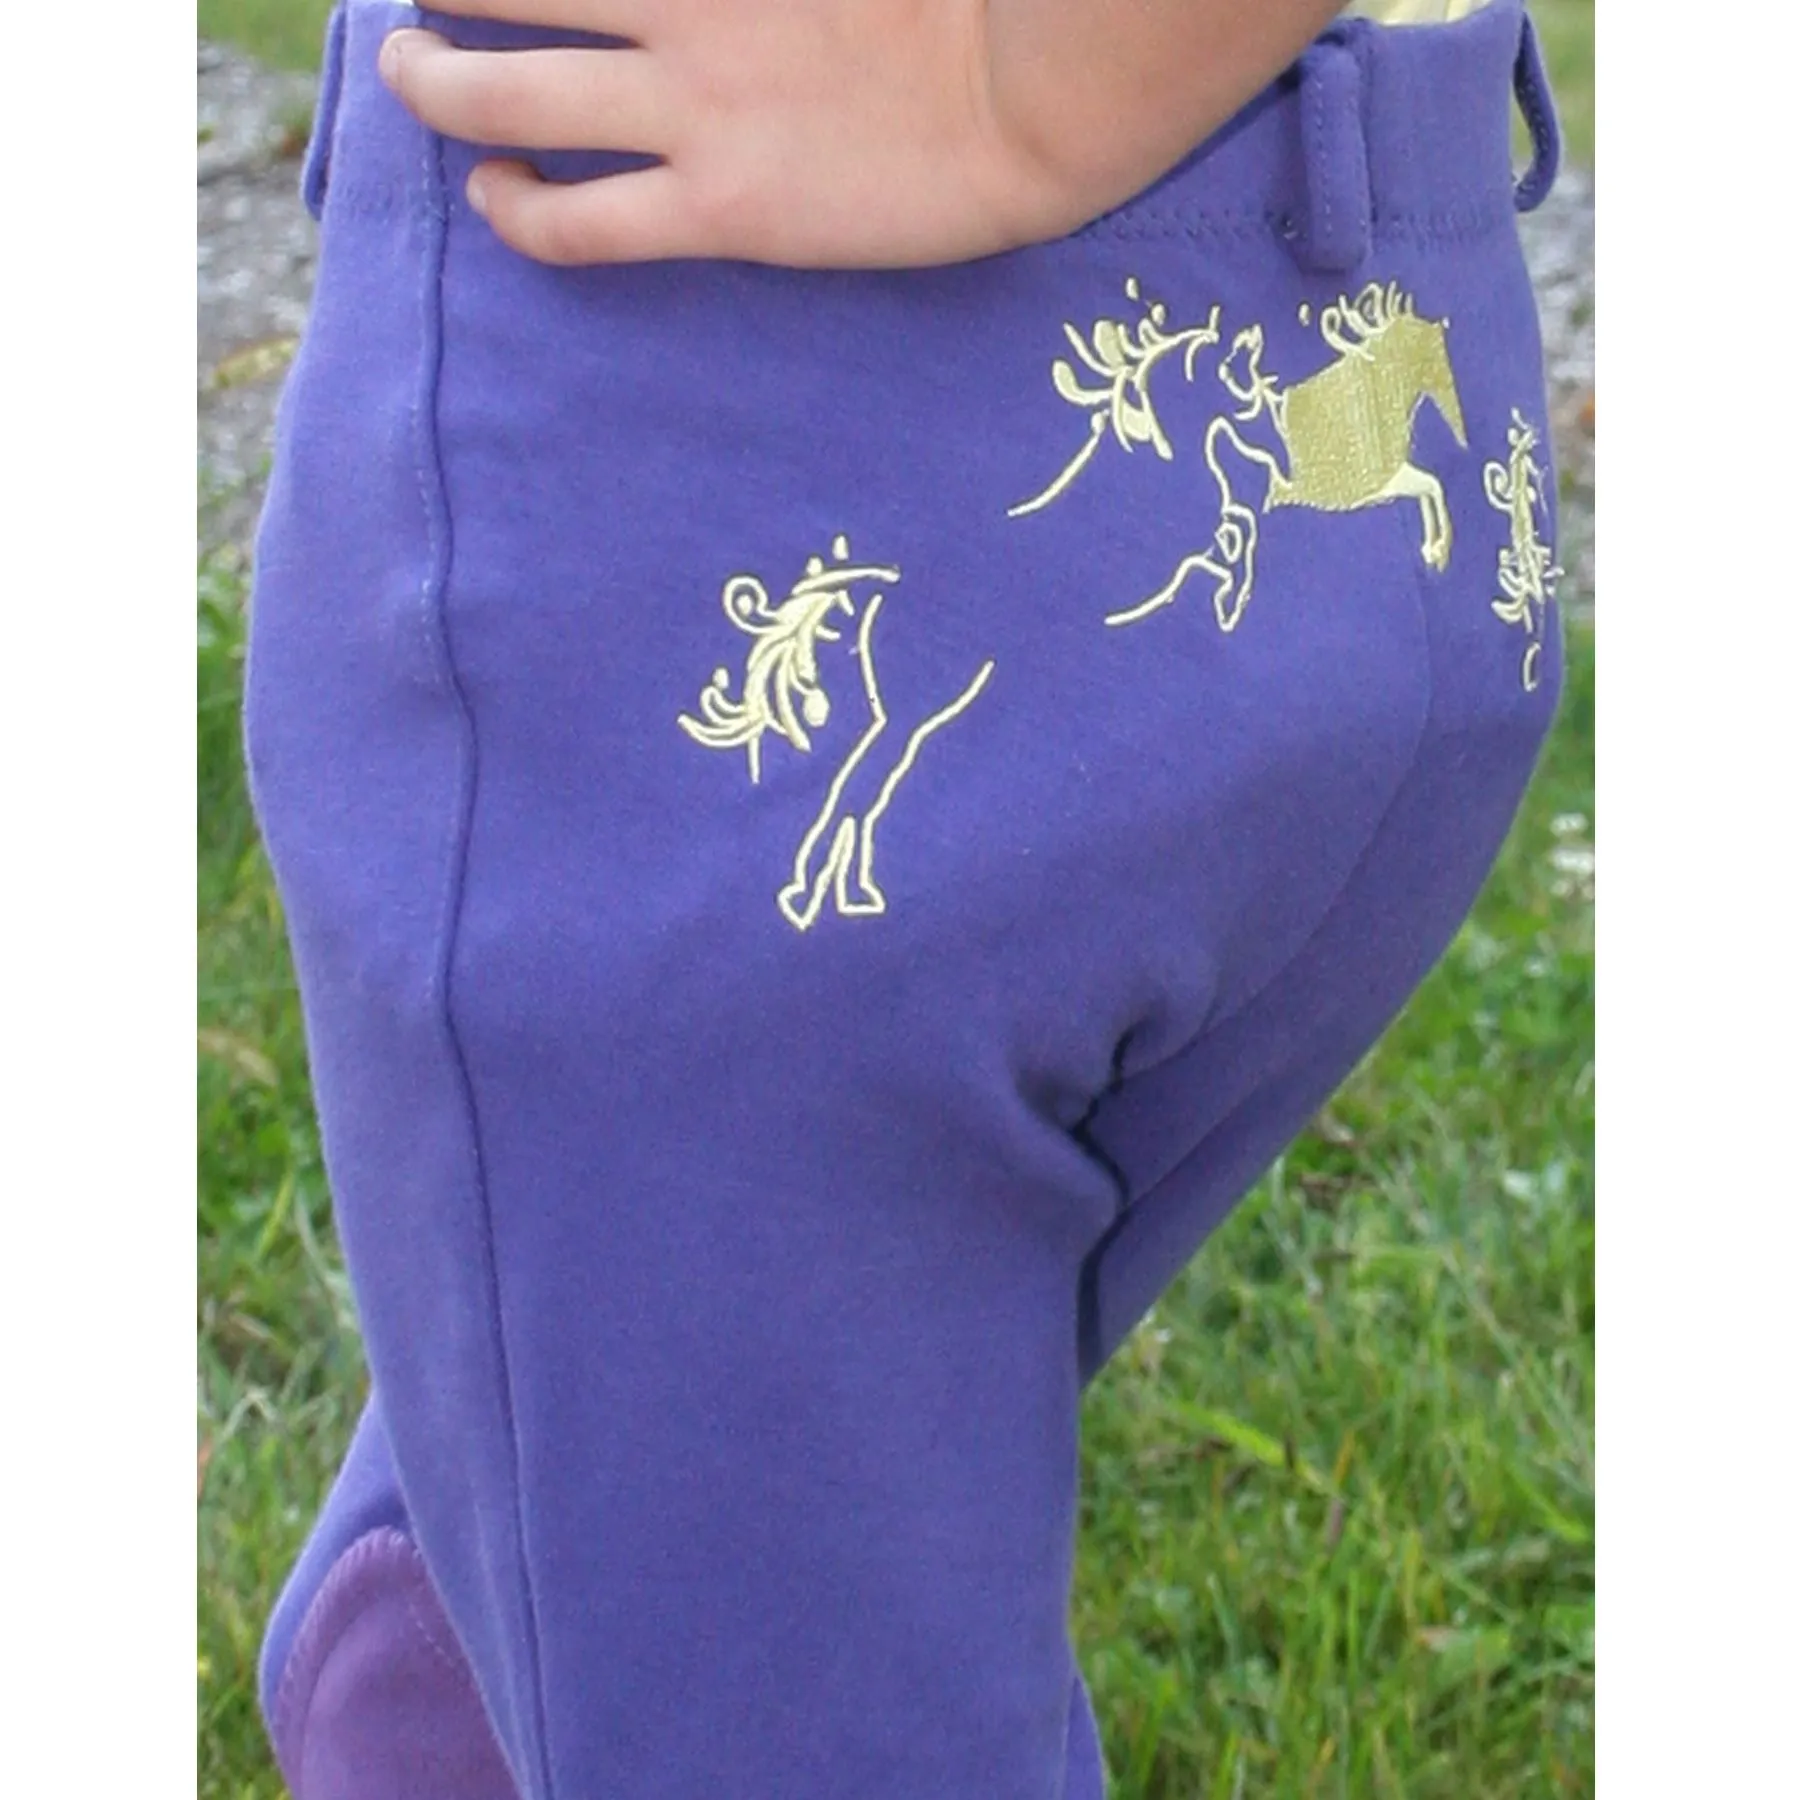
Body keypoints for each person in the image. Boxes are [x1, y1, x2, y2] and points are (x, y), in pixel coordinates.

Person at [243, 1, 1563, 1795]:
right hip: (1362, 366)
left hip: (714, 451)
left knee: (719, 1628)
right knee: (547, 1551)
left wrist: (1032, 92)